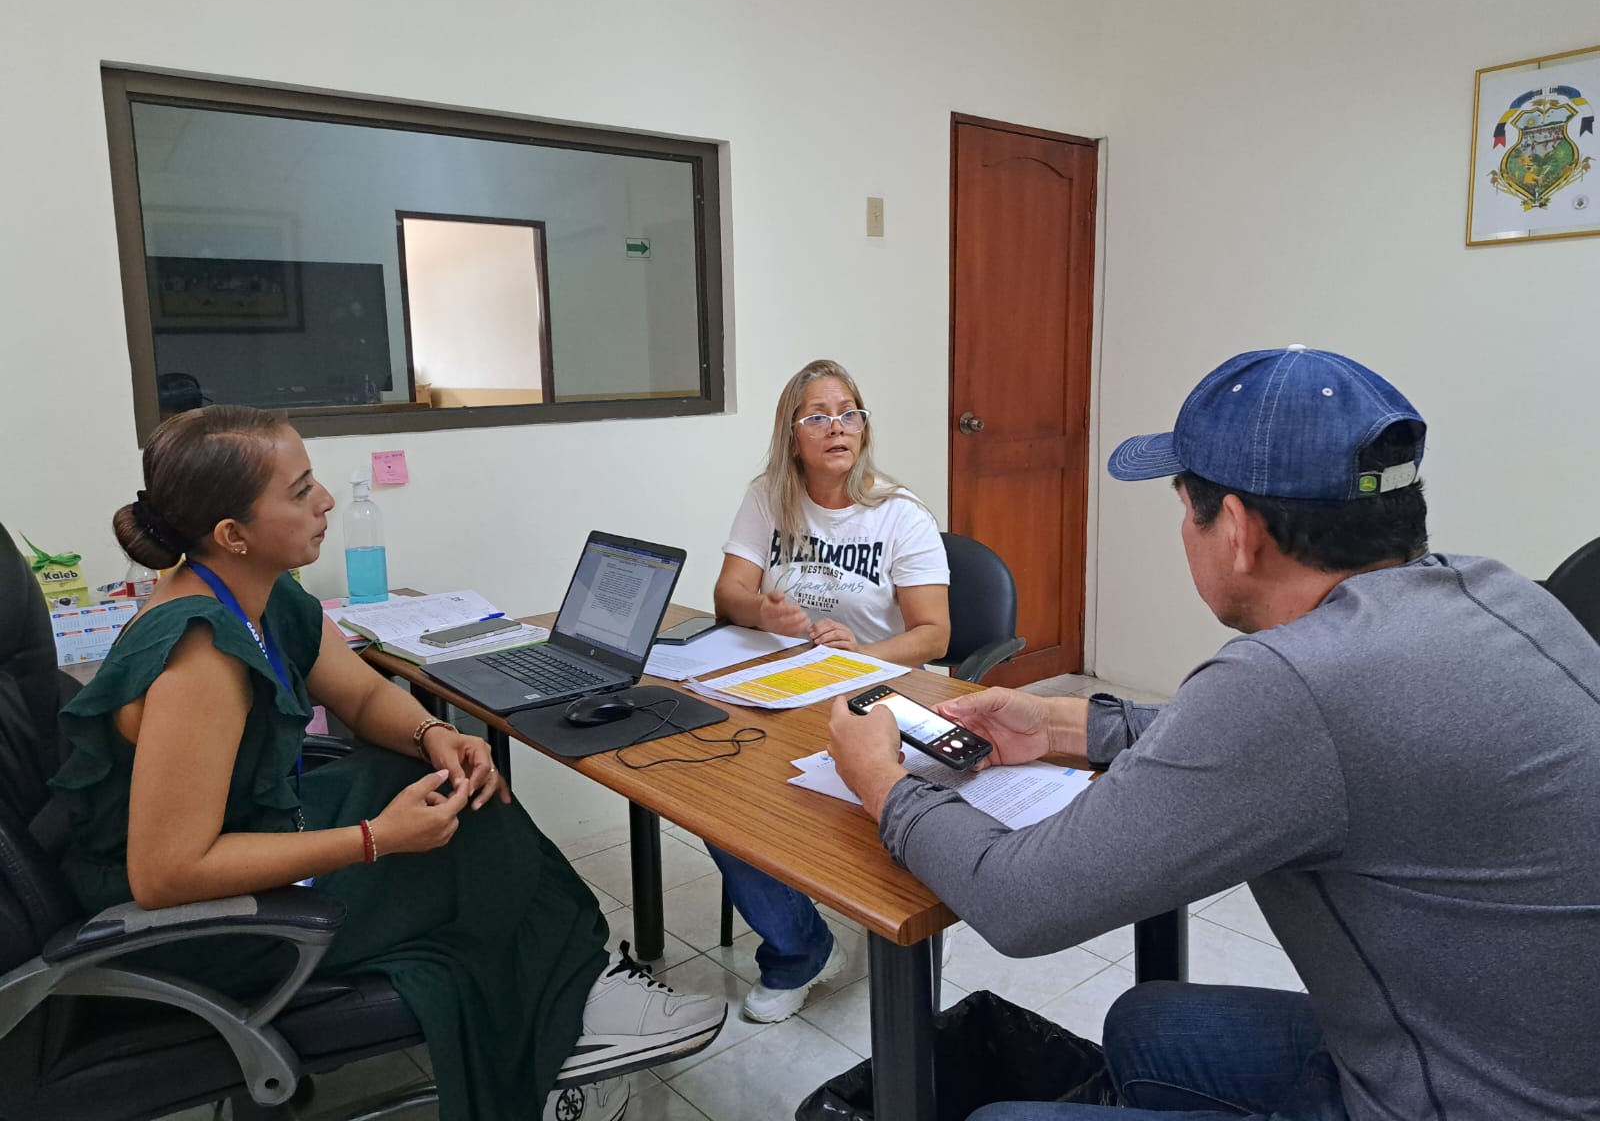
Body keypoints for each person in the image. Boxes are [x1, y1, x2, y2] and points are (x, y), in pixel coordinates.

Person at [827, 346, 1600, 1120]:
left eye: (1183, 507)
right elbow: (1309, 745)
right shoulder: (1505, 595)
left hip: (1454, 1100)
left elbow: (1019, 903)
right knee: (1148, 1022)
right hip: (1504, 1054)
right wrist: (1064, 721)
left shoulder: (1288, 683)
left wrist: (881, 782)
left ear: (1234, 529)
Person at [49, 406, 725, 1121]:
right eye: (300, 491)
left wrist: (433, 733)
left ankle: (580, 995)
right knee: (472, 870)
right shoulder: (200, 658)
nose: (326, 501)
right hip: (199, 925)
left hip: (247, 833)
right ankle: (571, 1020)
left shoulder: (262, 593)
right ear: (232, 534)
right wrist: (376, 840)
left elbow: (366, 695)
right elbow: (167, 874)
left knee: (455, 793)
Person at [707, 358, 951, 1021]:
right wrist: (765, 613)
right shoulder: (769, 497)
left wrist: (860, 655)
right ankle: (805, 948)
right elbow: (728, 594)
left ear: (863, 428)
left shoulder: (900, 514)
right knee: (716, 794)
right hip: (791, 684)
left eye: (849, 414)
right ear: (792, 436)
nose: (837, 427)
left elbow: (934, 635)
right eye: (817, 417)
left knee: (802, 799)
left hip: (877, 694)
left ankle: (817, 946)